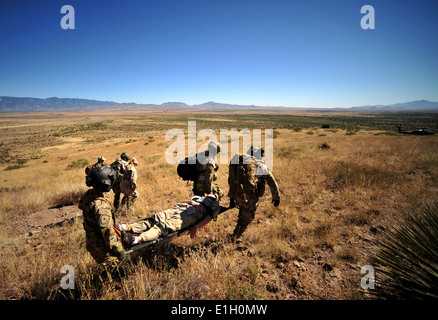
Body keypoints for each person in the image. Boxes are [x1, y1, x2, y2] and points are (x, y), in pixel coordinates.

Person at [116, 193, 228, 246]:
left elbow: (209, 217)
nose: (211, 193)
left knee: (162, 227)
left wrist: (196, 226)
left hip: (190, 215)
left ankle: (136, 240)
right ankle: (126, 227)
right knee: (154, 219)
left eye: (215, 193)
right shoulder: (199, 198)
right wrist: (192, 202)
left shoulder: (214, 205)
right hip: (180, 208)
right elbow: (185, 201)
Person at [228, 146, 280, 240]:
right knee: (248, 217)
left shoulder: (238, 165)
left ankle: (236, 233)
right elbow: (272, 183)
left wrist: (231, 198)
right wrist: (276, 197)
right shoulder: (261, 166)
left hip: (237, 195)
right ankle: (235, 236)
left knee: (243, 212)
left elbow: (231, 181)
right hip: (249, 197)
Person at [78, 165, 126, 267]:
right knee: (118, 271)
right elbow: (108, 233)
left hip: (93, 242)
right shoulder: (101, 207)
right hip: (101, 249)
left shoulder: (90, 194)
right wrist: (120, 251)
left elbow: (81, 205)